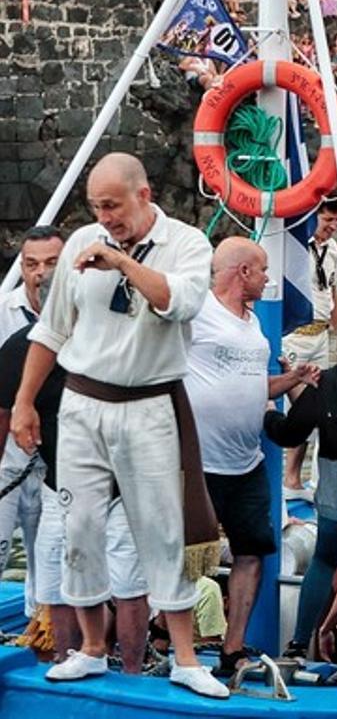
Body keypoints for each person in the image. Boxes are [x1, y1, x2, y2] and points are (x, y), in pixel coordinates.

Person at [10, 152, 227, 697]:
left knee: (161, 526)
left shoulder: (188, 245)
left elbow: (179, 302)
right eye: (95, 207)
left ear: (144, 195)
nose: (104, 217)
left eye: (112, 205)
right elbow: (52, 331)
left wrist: (122, 262)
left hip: (150, 401)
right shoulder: (83, 241)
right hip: (83, 402)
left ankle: (183, 656)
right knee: (78, 526)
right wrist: (24, 402)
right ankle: (88, 648)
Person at [0, 261, 150, 673]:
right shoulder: (18, 350)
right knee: (55, 576)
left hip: (126, 480)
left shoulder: (122, 343)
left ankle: (133, 669)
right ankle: (68, 659)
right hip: (58, 480)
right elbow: (2, 416)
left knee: (130, 583)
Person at [185, 238, 318, 675]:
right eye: (262, 270)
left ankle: (232, 647)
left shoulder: (254, 324)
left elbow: (255, 386)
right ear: (242, 271)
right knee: (185, 558)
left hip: (246, 463)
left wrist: (292, 378)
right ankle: (177, 644)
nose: (267, 278)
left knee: (252, 552)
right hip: (198, 462)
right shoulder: (197, 312)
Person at [265, 300, 337, 685]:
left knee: (322, 563)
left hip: (335, 494)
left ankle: (299, 644)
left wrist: (270, 406)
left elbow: (290, 432)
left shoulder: (328, 382)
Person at [0, 225, 64, 619]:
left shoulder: (86, 316)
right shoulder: (2, 313)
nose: (40, 273)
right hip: (8, 459)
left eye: (51, 263)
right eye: (31, 264)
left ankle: (42, 637)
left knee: (50, 559)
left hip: (59, 462)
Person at [282, 198, 337, 501]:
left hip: (321, 335)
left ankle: (307, 480)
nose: (332, 227)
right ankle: (289, 477)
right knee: (297, 409)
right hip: (295, 335)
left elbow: (332, 294)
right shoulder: (294, 245)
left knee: (318, 406)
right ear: (314, 216)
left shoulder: (332, 250)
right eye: (327, 220)